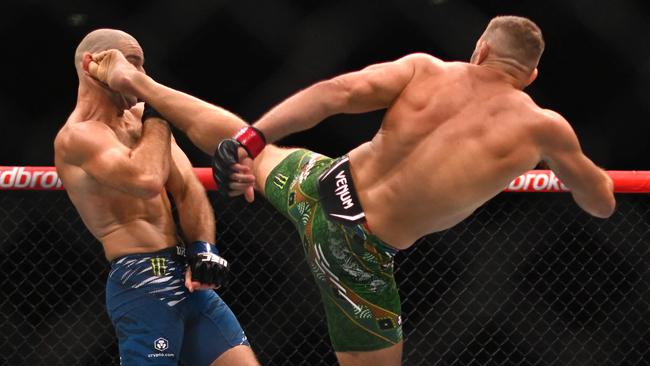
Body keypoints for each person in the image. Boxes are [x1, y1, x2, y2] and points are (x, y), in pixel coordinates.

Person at [84, 16, 616, 366]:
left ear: (479, 49)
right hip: (357, 253)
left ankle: (151, 92)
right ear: (532, 73)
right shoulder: (543, 126)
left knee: (253, 144)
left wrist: (253, 138)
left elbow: (334, 93)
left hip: (325, 184)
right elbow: (601, 202)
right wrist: (572, 170)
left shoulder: (426, 70)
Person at [54, 29, 259, 366]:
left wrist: (203, 249)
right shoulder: (78, 135)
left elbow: (187, 188)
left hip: (188, 277)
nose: (140, 77)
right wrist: (159, 113)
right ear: (93, 65)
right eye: (130, 64)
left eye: (142, 67)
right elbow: (147, 179)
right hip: (141, 281)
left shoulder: (142, 122)